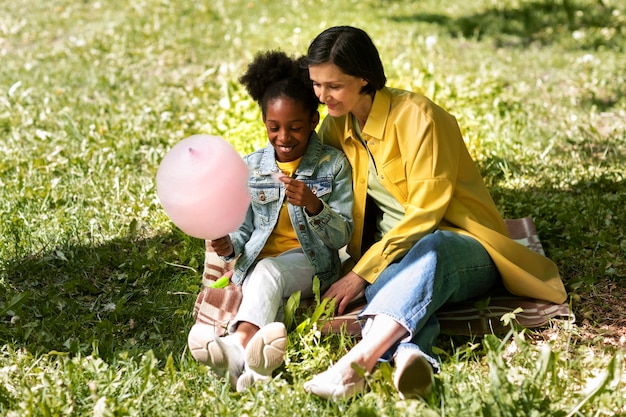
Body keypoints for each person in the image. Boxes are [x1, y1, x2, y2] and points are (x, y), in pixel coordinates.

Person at [302, 26, 567, 400]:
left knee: (433, 247)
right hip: (392, 257)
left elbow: (427, 212)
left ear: (364, 77)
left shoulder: (419, 117)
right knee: (398, 283)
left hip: (464, 246)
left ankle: (355, 365)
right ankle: (411, 357)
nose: (322, 96)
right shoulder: (336, 126)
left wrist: (360, 274)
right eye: (316, 84)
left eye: (334, 85)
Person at [187, 50, 354, 392]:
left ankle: (236, 344)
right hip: (256, 264)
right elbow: (245, 229)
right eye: (274, 127)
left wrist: (314, 205)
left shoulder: (333, 166)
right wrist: (227, 243)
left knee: (269, 273)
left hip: (311, 265)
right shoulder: (252, 167)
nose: (284, 137)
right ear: (263, 121)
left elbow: (342, 236)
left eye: (295, 127)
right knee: (263, 278)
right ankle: (256, 368)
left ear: (313, 121)